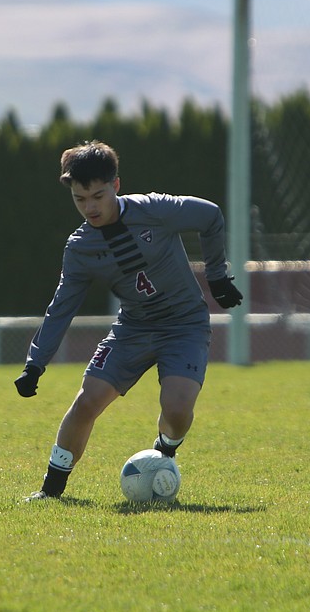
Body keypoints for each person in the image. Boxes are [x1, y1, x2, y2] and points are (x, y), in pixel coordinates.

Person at [15, 140, 243, 500]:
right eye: (80, 199)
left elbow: (210, 215)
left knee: (178, 409)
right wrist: (35, 363)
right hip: (132, 329)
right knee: (86, 402)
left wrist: (217, 276)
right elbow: (62, 307)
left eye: (98, 196)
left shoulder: (154, 209)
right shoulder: (80, 248)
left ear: (116, 186)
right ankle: (51, 490)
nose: (90, 207)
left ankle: (164, 451)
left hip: (184, 325)